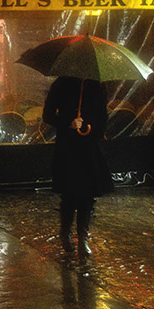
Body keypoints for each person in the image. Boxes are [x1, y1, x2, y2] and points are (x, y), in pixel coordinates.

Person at [42, 76, 112, 256]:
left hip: (89, 147)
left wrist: (95, 132)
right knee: (70, 194)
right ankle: (65, 234)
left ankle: (83, 238)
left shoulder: (97, 85)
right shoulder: (61, 84)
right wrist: (68, 123)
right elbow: (48, 115)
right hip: (68, 147)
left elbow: (103, 114)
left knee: (88, 195)